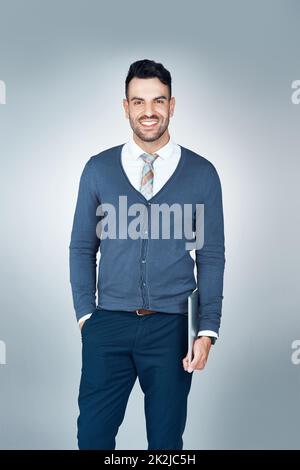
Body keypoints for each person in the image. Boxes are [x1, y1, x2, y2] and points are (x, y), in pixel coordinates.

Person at [69, 59, 225, 450]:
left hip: (172, 330)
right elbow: (82, 246)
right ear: (126, 107)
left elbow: (211, 255)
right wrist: (87, 316)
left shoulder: (202, 173)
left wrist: (206, 330)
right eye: (138, 102)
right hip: (109, 326)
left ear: (172, 105)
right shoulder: (98, 169)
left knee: (165, 441)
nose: (149, 111)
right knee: (92, 438)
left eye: (158, 101)